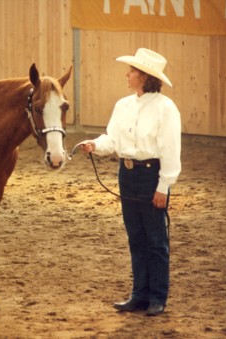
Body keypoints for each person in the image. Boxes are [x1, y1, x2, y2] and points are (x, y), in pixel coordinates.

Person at [78, 48, 181, 316]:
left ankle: (157, 297)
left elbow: (170, 150)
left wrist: (163, 186)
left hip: (151, 175)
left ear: (145, 77)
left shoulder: (165, 108)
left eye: (132, 71)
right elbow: (112, 139)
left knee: (156, 239)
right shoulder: (123, 105)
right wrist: (95, 144)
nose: (128, 74)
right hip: (127, 175)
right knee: (136, 236)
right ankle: (139, 295)